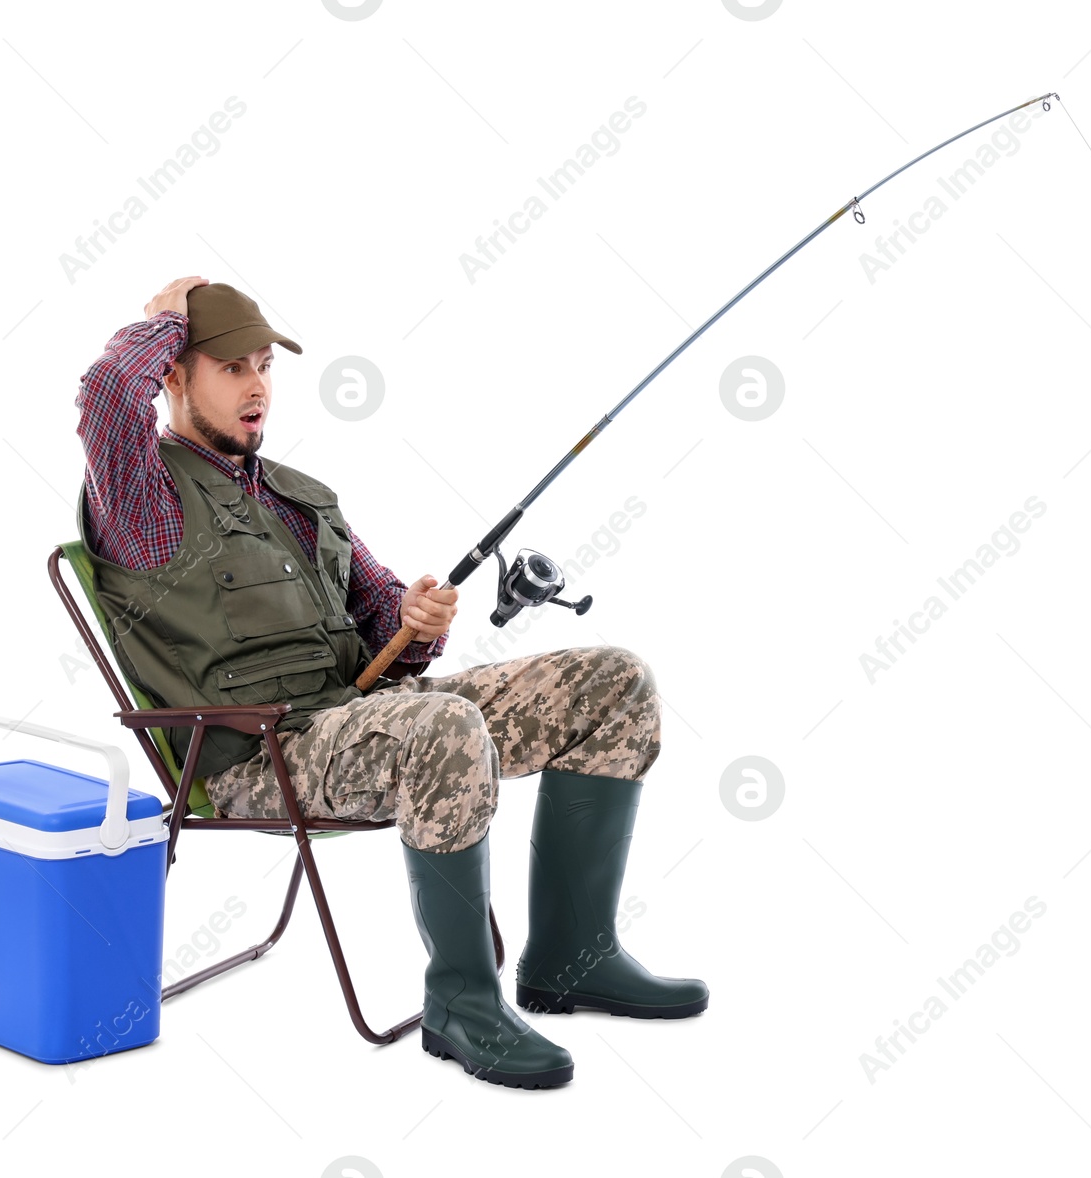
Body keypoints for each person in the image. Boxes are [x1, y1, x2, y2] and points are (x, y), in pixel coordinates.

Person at [73, 275, 707, 1088]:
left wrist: (411, 621)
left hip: (362, 718)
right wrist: (162, 322)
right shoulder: (145, 498)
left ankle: (572, 959)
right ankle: (462, 1004)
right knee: (444, 730)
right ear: (173, 374)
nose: (259, 383)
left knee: (615, 684)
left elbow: (382, 628)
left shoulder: (302, 499)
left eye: (265, 363)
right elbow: (102, 401)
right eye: (231, 366)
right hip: (258, 760)